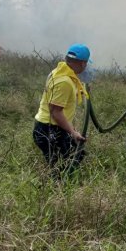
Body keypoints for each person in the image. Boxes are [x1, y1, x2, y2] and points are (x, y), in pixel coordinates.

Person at [33, 43, 90, 175]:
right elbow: (55, 112)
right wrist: (73, 132)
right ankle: (55, 191)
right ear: (82, 63)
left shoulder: (57, 72)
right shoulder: (64, 81)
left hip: (52, 127)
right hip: (49, 129)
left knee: (77, 154)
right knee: (61, 167)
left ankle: (60, 186)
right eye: (86, 63)